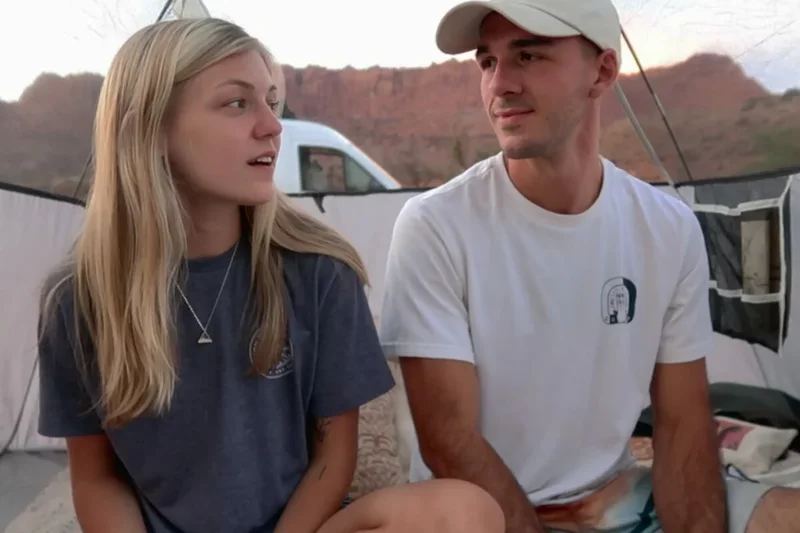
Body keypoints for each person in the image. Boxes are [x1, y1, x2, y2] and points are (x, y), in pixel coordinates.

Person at [36, 17, 504, 533]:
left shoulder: (320, 270)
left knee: (466, 512)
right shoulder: (78, 299)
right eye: (237, 103)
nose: (272, 125)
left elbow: (333, 459)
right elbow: (96, 478)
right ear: (149, 131)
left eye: (271, 101)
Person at [378, 1, 800, 532]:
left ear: (601, 72)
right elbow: (450, 441)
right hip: (478, 511)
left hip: (611, 496)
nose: (499, 85)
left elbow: (682, 423)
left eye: (528, 56)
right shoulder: (436, 226)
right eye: (487, 62)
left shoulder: (667, 229)